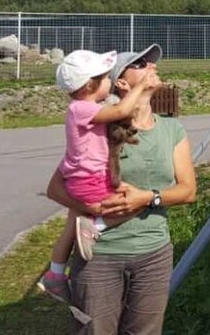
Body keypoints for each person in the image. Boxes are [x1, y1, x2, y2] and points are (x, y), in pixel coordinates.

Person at [46, 44, 197, 335]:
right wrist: (92, 209)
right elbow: (56, 188)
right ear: (121, 83)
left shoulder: (172, 130)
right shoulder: (101, 129)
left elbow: (188, 191)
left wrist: (147, 198)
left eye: (151, 62)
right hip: (100, 255)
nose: (151, 66)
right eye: (140, 64)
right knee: (95, 330)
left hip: (154, 252)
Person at [37, 49, 162, 303]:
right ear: (90, 84)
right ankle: (97, 226)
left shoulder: (85, 107)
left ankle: (56, 274)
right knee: (133, 203)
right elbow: (120, 112)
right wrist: (139, 89)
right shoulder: (81, 108)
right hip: (90, 180)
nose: (109, 82)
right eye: (105, 78)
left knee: (72, 223)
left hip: (84, 177)